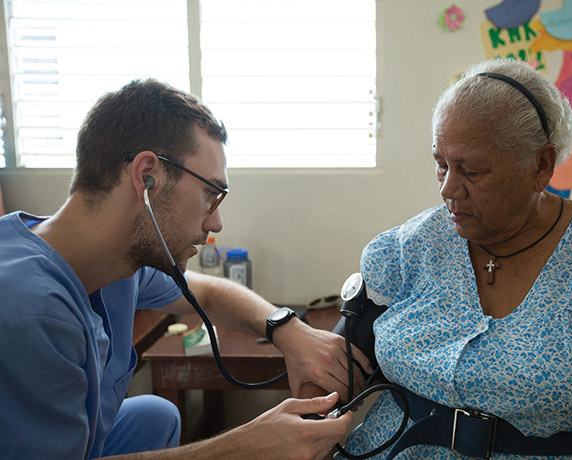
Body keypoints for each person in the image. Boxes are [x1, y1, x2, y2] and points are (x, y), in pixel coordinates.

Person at [0, 79, 373, 460]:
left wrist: (287, 329)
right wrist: (241, 447)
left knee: (156, 415)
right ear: (147, 176)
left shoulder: (112, 260)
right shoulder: (31, 309)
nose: (216, 224)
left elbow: (208, 292)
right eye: (210, 194)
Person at [328, 58, 572, 459]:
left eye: (471, 170)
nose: (447, 188)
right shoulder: (410, 247)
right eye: (441, 164)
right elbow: (336, 373)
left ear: (541, 166)